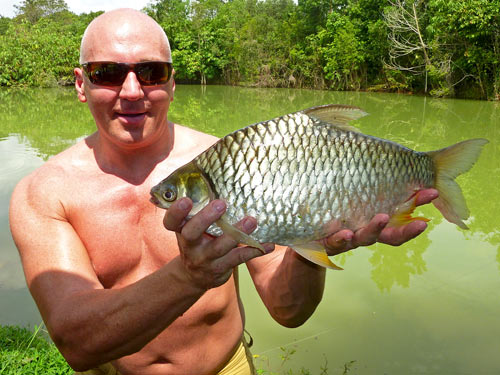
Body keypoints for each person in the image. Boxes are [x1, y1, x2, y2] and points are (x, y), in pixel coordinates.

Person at [9, 8, 438, 375]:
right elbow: (76, 343)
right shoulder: (44, 192)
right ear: (81, 84)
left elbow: (288, 311)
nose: (133, 91)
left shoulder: (234, 161)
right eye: (108, 73)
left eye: (152, 72)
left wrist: (314, 247)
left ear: (172, 83)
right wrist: (190, 276)